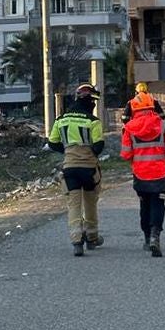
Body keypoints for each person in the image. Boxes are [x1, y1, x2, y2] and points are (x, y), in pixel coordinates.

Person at [47, 83, 105, 256]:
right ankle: (92, 236)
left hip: (69, 168)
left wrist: (68, 151)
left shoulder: (61, 119)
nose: (94, 104)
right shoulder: (92, 121)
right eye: (93, 101)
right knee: (90, 202)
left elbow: (52, 142)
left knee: (73, 204)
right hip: (88, 168)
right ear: (88, 101)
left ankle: (76, 240)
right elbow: (99, 146)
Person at [120, 90, 165, 257]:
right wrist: (163, 160)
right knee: (158, 204)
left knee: (144, 204)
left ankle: (147, 237)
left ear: (134, 108)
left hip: (140, 174)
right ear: (152, 106)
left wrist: (136, 161)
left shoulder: (129, 128)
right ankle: (155, 235)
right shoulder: (163, 125)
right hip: (159, 172)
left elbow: (125, 154)